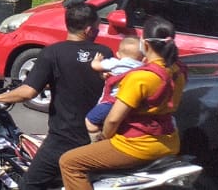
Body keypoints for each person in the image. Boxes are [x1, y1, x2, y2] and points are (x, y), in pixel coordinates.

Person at [0, 2, 112, 190]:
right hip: (96, 135)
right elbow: (87, 79)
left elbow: (28, 92)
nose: (98, 31)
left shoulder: (53, 53)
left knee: (29, 185)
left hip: (65, 137)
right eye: (98, 27)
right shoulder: (104, 53)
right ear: (90, 29)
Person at [59, 17, 187, 190]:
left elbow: (112, 119)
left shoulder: (141, 77)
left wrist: (104, 137)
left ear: (145, 45)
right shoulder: (178, 71)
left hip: (137, 145)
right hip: (170, 140)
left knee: (69, 162)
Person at [84, 36, 144, 140]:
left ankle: (97, 142)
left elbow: (95, 66)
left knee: (90, 121)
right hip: (129, 103)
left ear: (118, 54)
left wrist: (96, 60)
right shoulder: (142, 67)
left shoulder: (116, 63)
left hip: (111, 102)